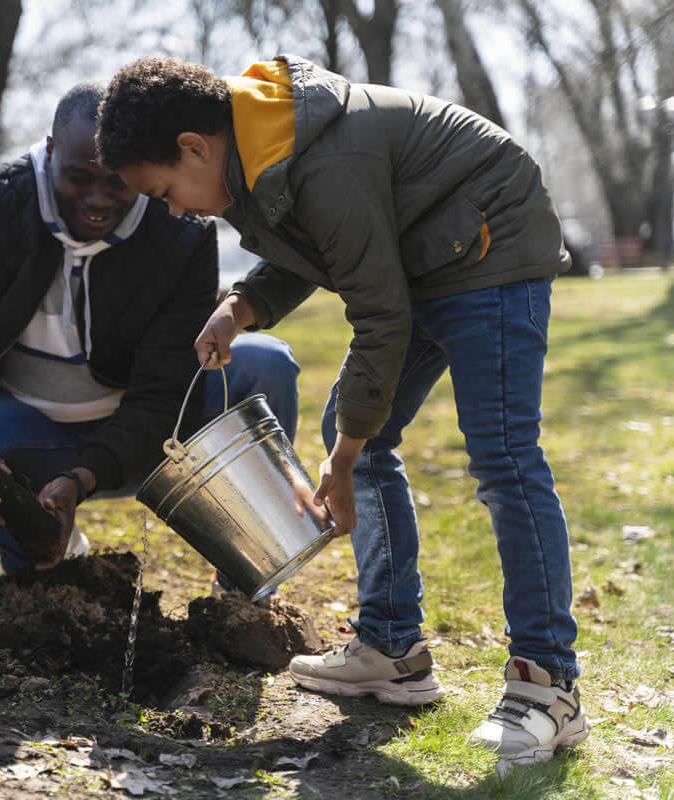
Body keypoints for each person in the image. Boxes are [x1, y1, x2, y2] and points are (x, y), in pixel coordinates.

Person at [96, 55, 588, 766]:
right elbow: (314, 247)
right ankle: (392, 647)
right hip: (427, 255)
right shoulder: (263, 155)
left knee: (502, 452)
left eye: (167, 190)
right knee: (350, 427)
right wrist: (241, 306)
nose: (175, 209)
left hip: (490, 242)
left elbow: (379, 313)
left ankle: (549, 683)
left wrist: (348, 453)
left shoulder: (323, 155)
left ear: (193, 148)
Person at [0, 81, 300, 596]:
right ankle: (44, 555)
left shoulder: (179, 230)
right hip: (28, 435)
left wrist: (82, 478)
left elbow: (162, 392)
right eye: (77, 178)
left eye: (116, 181)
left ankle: (243, 585)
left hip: (151, 437)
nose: (97, 200)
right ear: (49, 151)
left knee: (265, 365)